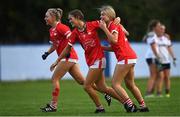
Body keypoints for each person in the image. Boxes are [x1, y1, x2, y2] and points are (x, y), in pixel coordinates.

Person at [50, 9, 125, 113]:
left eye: (71, 19)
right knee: (103, 88)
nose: (69, 21)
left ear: (78, 17)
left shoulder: (92, 24)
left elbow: (108, 23)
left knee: (86, 86)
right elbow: (67, 48)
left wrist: (117, 19)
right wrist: (57, 61)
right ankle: (126, 102)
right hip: (91, 61)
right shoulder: (75, 32)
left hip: (98, 59)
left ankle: (100, 108)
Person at [98, 5, 149, 112]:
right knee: (130, 84)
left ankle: (130, 106)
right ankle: (143, 106)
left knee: (115, 84)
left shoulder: (112, 25)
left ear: (110, 15)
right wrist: (101, 47)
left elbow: (114, 40)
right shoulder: (114, 25)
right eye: (100, 14)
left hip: (125, 57)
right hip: (130, 56)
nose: (101, 16)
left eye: (103, 14)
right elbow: (125, 35)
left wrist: (105, 28)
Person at [155, 24, 176, 97]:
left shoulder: (166, 38)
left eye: (163, 29)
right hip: (159, 61)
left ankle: (167, 92)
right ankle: (159, 93)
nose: (162, 30)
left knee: (167, 77)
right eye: (161, 29)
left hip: (167, 61)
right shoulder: (155, 38)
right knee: (161, 76)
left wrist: (173, 57)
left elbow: (169, 48)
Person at [143, 20, 162, 97]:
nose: (160, 27)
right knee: (153, 75)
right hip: (152, 56)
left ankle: (154, 92)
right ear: (154, 27)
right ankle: (149, 93)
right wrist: (158, 56)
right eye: (158, 25)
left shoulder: (153, 34)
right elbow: (153, 46)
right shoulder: (152, 34)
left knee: (157, 75)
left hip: (152, 56)